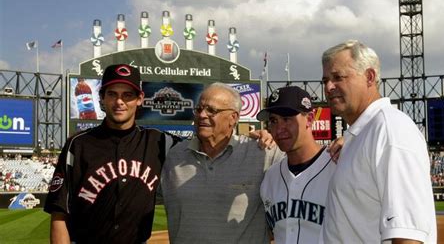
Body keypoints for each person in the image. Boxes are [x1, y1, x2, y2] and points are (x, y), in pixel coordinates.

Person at [44, 64, 178, 244]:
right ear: (101, 98)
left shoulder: (158, 142)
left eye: (127, 95)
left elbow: (203, 146)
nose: (119, 102)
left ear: (140, 99)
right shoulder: (78, 145)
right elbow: (59, 215)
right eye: (112, 94)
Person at [321, 40, 437, 243]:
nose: (329, 87)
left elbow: (407, 233)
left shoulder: (391, 129)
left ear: (369, 77)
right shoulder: (363, 134)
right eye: (325, 80)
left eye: (338, 77)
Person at [161, 82, 286, 244]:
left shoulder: (262, 152)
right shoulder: (174, 156)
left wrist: (330, 148)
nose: (202, 115)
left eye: (211, 110)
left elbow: (307, 164)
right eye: (199, 109)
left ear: (233, 118)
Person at [257, 86, 337, 244]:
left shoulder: (338, 166)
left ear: (309, 118)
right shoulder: (271, 177)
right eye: (273, 121)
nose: (279, 129)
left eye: (287, 118)